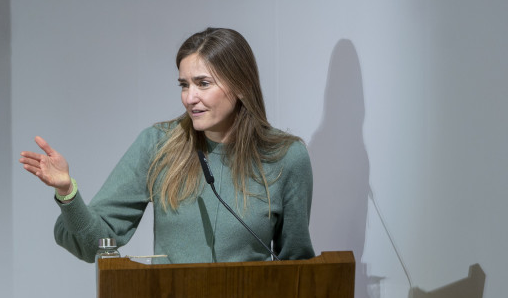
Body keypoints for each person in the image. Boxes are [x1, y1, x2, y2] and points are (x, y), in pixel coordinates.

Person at [19, 27, 315, 264]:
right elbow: (93, 244)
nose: (190, 97)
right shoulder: (158, 144)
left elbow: (296, 263)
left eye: (203, 83)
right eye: (184, 85)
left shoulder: (286, 157)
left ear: (240, 86)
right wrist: (67, 192)